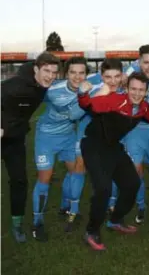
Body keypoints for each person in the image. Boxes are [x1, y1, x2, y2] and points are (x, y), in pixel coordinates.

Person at [78, 67, 149, 251]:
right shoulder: (115, 100)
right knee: (103, 190)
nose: (137, 93)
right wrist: (83, 92)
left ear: (146, 91)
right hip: (94, 146)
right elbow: (89, 105)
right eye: (133, 89)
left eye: (141, 90)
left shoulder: (143, 107)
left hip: (113, 147)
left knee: (132, 184)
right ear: (127, 88)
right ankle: (91, 231)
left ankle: (115, 221)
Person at [1, 52, 60, 243]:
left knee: (19, 181)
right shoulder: (15, 85)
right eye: (46, 70)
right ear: (36, 69)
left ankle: (17, 224)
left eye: (54, 72)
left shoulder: (42, 86)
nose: (50, 75)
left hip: (15, 140)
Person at [109, 45, 149, 224]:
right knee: (136, 170)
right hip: (134, 131)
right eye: (146, 63)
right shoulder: (129, 80)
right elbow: (106, 79)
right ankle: (141, 205)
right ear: (139, 63)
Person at [32, 57, 90, 240]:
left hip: (68, 137)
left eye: (82, 73)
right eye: (73, 72)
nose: (77, 77)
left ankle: (69, 208)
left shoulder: (90, 87)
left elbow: (117, 78)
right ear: (66, 74)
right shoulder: (52, 89)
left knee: (76, 171)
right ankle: (37, 222)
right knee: (45, 178)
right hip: (46, 138)